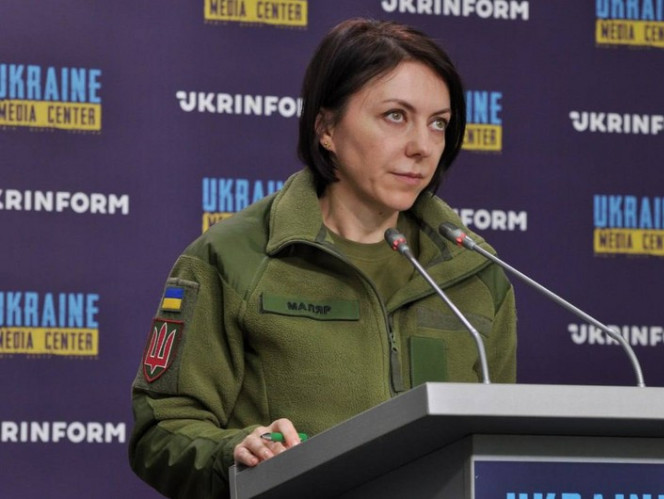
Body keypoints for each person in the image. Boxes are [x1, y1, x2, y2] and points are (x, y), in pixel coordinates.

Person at [129, 17, 517, 499]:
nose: (422, 146)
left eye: (438, 123)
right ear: (327, 127)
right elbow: (162, 430)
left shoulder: (474, 271)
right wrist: (235, 452)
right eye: (395, 116)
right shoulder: (231, 258)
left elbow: (496, 446)